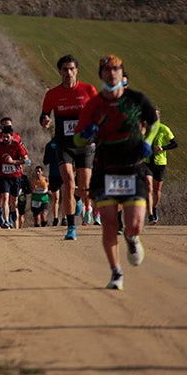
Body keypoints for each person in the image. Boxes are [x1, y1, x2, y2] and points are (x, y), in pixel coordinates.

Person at [74, 55, 159, 291]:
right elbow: (77, 138)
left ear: (122, 74)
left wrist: (149, 141)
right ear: (101, 74)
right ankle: (116, 272)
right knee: (109, 224)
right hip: (105, 168)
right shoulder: (94, 104)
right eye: (107, 70)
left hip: (133, 167)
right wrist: (87, 133)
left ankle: (132, 239)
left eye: (116, 69)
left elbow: (153, 123)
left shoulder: (137, 100)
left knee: (134, 225)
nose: (112, 73)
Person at [40, 55, 98, 241]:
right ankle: (71, 226)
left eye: (71, 69)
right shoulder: (53, 94)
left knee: (84, 187)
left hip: (85, 144)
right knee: (68, 183)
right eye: (64, 69)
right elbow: (43, 115)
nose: (68, 73)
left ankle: (82, 203)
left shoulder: (88, 89)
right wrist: (45, 121)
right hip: (64, 144)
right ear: (60, 71)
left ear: (76, 70)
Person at [0, 117, 29, 229]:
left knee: (13, 201)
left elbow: (26, 160)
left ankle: (13, 217)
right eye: (4, 136)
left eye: (8, 136)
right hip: (1, 174)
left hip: (16, 175)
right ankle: (4, 220)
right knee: (4, 196)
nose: (5, 138)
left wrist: (14, 162)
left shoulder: (17, 143)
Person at [145, 108, 177, 224]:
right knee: (149, 187)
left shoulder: (164, 129)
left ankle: (154, 208)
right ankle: (150, 216)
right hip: (147, 162)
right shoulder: (146, 129)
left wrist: (163, 148)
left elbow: (174, 144)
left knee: (157, 189)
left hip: (160, 162)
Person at [43, 139, 63, 226]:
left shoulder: (66, 142)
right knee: (56, 198)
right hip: (54, 174)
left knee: (65, 196)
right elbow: (45, 161)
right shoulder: (50, 145)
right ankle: (56, 219)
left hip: (65, 173)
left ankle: (65, 218)